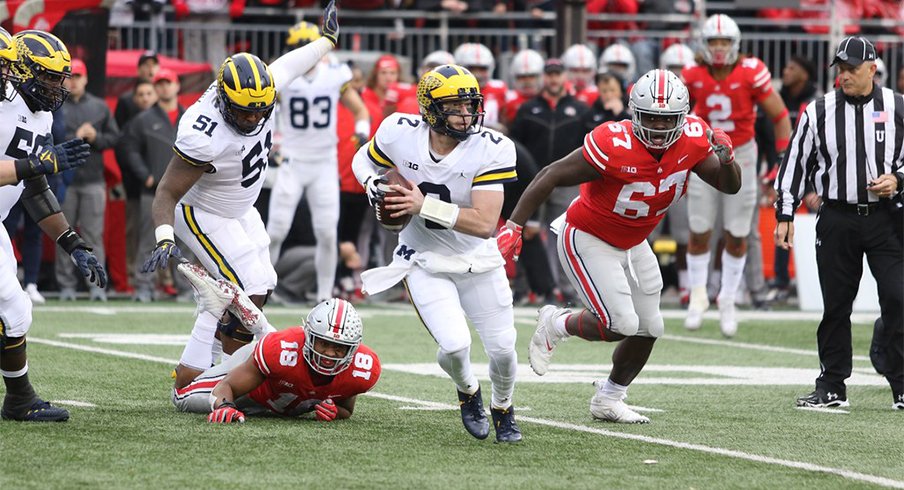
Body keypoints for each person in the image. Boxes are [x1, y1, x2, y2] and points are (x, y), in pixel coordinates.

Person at [497, 69, 741, 423]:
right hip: (587, 234)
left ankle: (609, 398)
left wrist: (729, 160)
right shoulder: (612, 143)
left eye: (667, 120)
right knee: (621, 323)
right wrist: (515, 225)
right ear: (634, 114)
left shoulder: (693, 139)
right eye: (651, 120)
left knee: (650, 328)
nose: (658, 129)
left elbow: (728, 185)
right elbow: (551, 174)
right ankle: (556, 323)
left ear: (682, 118)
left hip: (633, 240)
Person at [141, 1, 340, 391]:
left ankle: (212, 371)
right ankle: (221, 378)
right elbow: (167, 190)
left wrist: (326, 41)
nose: (252, 119)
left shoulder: (258, 89)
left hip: (241, 207)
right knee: (245, 288)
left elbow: (290, 64)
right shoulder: (203, 130)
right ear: (223, 101)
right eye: (244, 113)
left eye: (258, 112)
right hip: (202, 211)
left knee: (262, 283)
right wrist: (165, 235)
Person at [351, 64, 522, 443]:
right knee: (455, 345)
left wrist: (421, 204)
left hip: (477, 259)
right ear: (430, 109)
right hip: (423, 258)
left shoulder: (492, 148)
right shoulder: (399, 131)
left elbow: (484, 223)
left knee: (504, 350)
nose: (467, 114)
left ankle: (504, 407)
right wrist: (373, 184)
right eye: (455, 106)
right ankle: (468, 392)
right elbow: (363, 159)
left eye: (470, 104)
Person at [774, 36, 903, 410]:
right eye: (840, 69)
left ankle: (900, 379)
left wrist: (898, 178)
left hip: (887, 218)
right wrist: (785, 213)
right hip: (837, 217)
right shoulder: (818, 111)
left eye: (850, 69)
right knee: (836, 305)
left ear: (871, 68)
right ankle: (832, 385)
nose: (843, 76)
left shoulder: (897, 106)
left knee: (898, 298)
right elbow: (794, 164)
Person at [0, 29, 103, 422]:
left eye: (60, 76)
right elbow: (32, 169)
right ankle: (20, 399)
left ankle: (19, 398)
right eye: (48, 75)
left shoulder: (40, 112)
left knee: (17, 312)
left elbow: (33, 186)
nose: (59, 85)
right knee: (12, 307)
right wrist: (37, 163)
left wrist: (72, 243)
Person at [682, 14, 791, 336]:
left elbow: (781, 115)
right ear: (703, 44)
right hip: (702, 153)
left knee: (737, 232)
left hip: (741, 152)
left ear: (735, 45)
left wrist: (782, 158)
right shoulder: (692, 74)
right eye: (714, 41)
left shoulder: (751, 72)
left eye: (724, 42)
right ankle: (698, 296)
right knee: (699, 228)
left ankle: (727, 298)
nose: (718, 48)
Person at [172, 262, 380, 423]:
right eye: (323, 344)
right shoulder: (281, 352)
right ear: (309, 338)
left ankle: (258, 323)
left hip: (278, 372)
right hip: (254, 384)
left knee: (280, 351)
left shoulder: (362, 370)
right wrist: (225, 406)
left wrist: (335, 412)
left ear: (352, 349)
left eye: (338, 348)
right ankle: (211, 313)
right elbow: (225, 388)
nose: (328, 354)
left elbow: (346, 408)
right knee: (180, 396)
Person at [266, 21, 370, 303]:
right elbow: (265, 111)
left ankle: (325, 297)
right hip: (292, 160)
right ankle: (261, 289)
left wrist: (362, 132)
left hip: (324, 162)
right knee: (275, 230)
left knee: (326, 232)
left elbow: (360, 110)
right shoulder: (284, 76)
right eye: (297, 48)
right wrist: (271, 143)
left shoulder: (334, 75)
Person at [118, 69, 185, 302]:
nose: (165, 88)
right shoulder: (143, 120)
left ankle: (186, 289)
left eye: (169, 83)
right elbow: (128, 148)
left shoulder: (189, 118)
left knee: (187, 244)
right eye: (161, 84)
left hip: (186, 194)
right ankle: (143, 286)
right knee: (148, 241)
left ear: (177, 86)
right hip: (154, 191)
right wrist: (144, 175)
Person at [56, 58, 120, 302]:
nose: (74, 81)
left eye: (78, 76)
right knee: (64, 233)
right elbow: (50, 138)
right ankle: (65, 285)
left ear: (86, 79)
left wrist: (96, 137)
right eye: (70, 77)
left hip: (93, 179)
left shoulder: (100, 106)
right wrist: (76, 136)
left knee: (93, 235)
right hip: (65, 180)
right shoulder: (56, 104)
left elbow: (115, 138)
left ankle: (96, 286)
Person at [501, 48, 544, 127]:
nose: (527, 81)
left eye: (531, 76)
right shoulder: (508, 100)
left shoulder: (549, 98)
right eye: (522, 77)